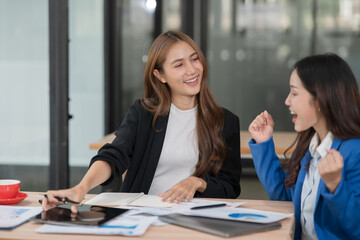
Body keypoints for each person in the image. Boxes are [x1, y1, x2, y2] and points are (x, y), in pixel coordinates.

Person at [43, 31, 242, 213]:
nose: (192, 70)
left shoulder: (225, 122)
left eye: (194, 59)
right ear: (160, 75)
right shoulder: (143, 113)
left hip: (195, 217)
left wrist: (197, 182)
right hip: (141, 215)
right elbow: (114, 156)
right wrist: (81, 188)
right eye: (179, 64)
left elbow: (230, 187)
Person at [248, 53, 360, 240]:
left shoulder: (355, 152)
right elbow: (285, 198)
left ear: (321, 100)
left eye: (294, 93)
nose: (287, 101)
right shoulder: (310, 146)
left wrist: (335, 186)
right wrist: (264, 143)